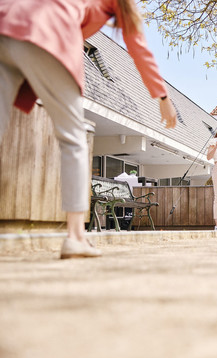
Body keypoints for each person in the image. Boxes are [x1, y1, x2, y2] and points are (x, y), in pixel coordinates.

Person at [0, 0, 177, 259]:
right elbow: (138, 47)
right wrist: (163, 97)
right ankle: (75, 237)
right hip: (50, 33)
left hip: (7, 24)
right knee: (74, 141)